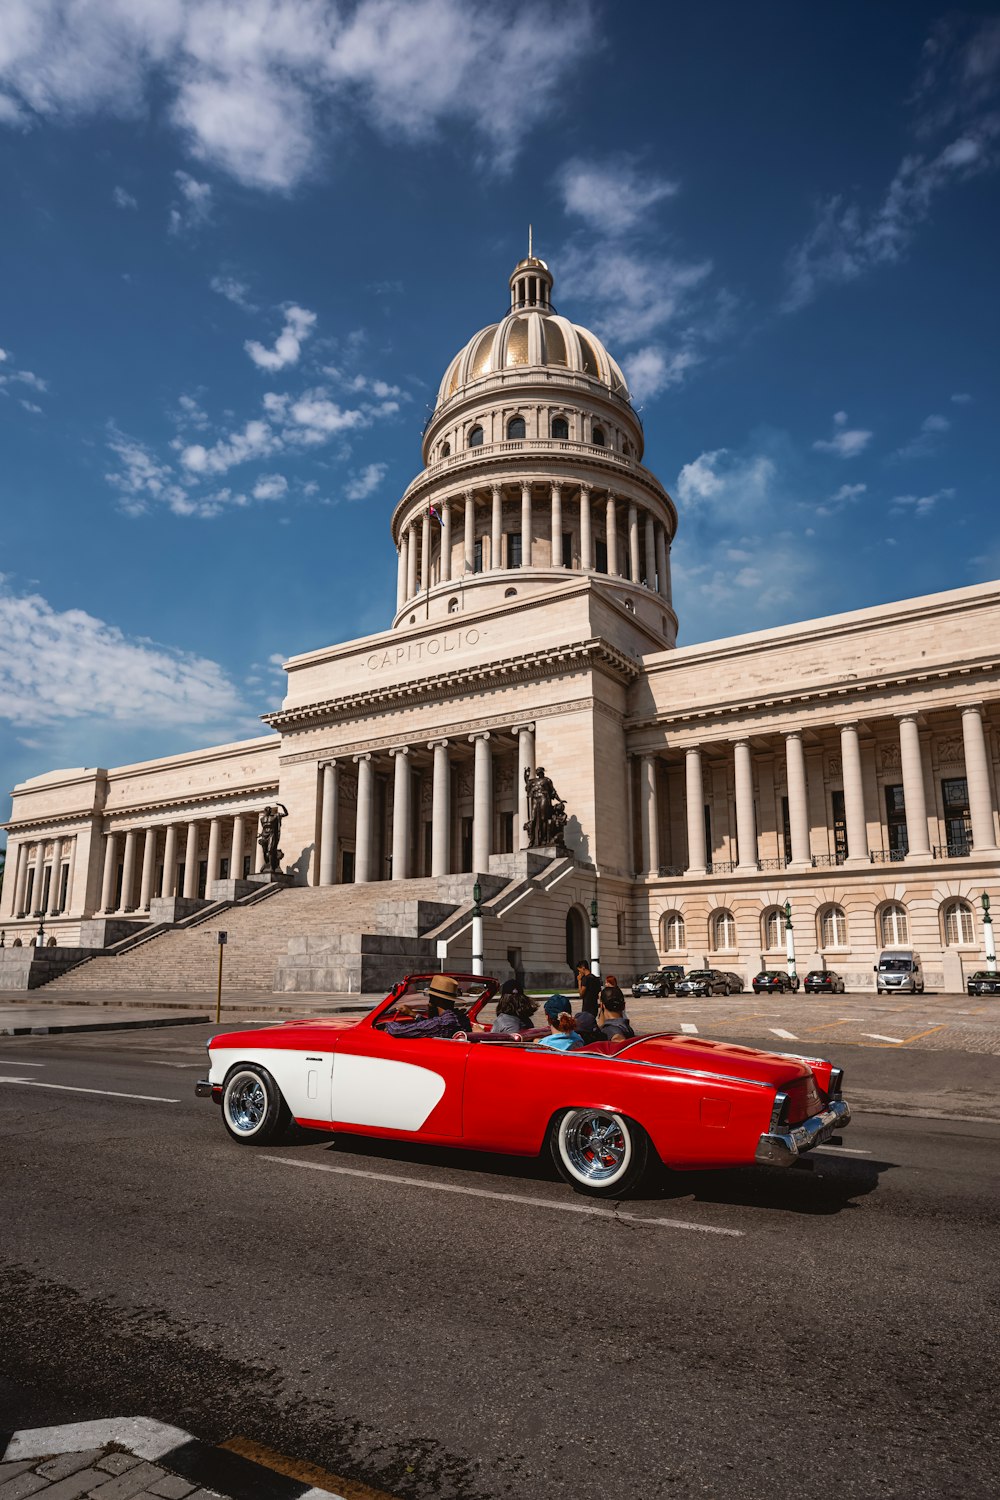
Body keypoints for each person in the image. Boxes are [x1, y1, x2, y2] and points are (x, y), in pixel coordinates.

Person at [385, 974, 470, 1038]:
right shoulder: (461, 1018)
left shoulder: (441, 1023)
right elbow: (429, 1025)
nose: (429, 1003)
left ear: (436, 1000)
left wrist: (387, 1024)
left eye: (431, 998)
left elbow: (397, 1030)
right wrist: (413, 1014)